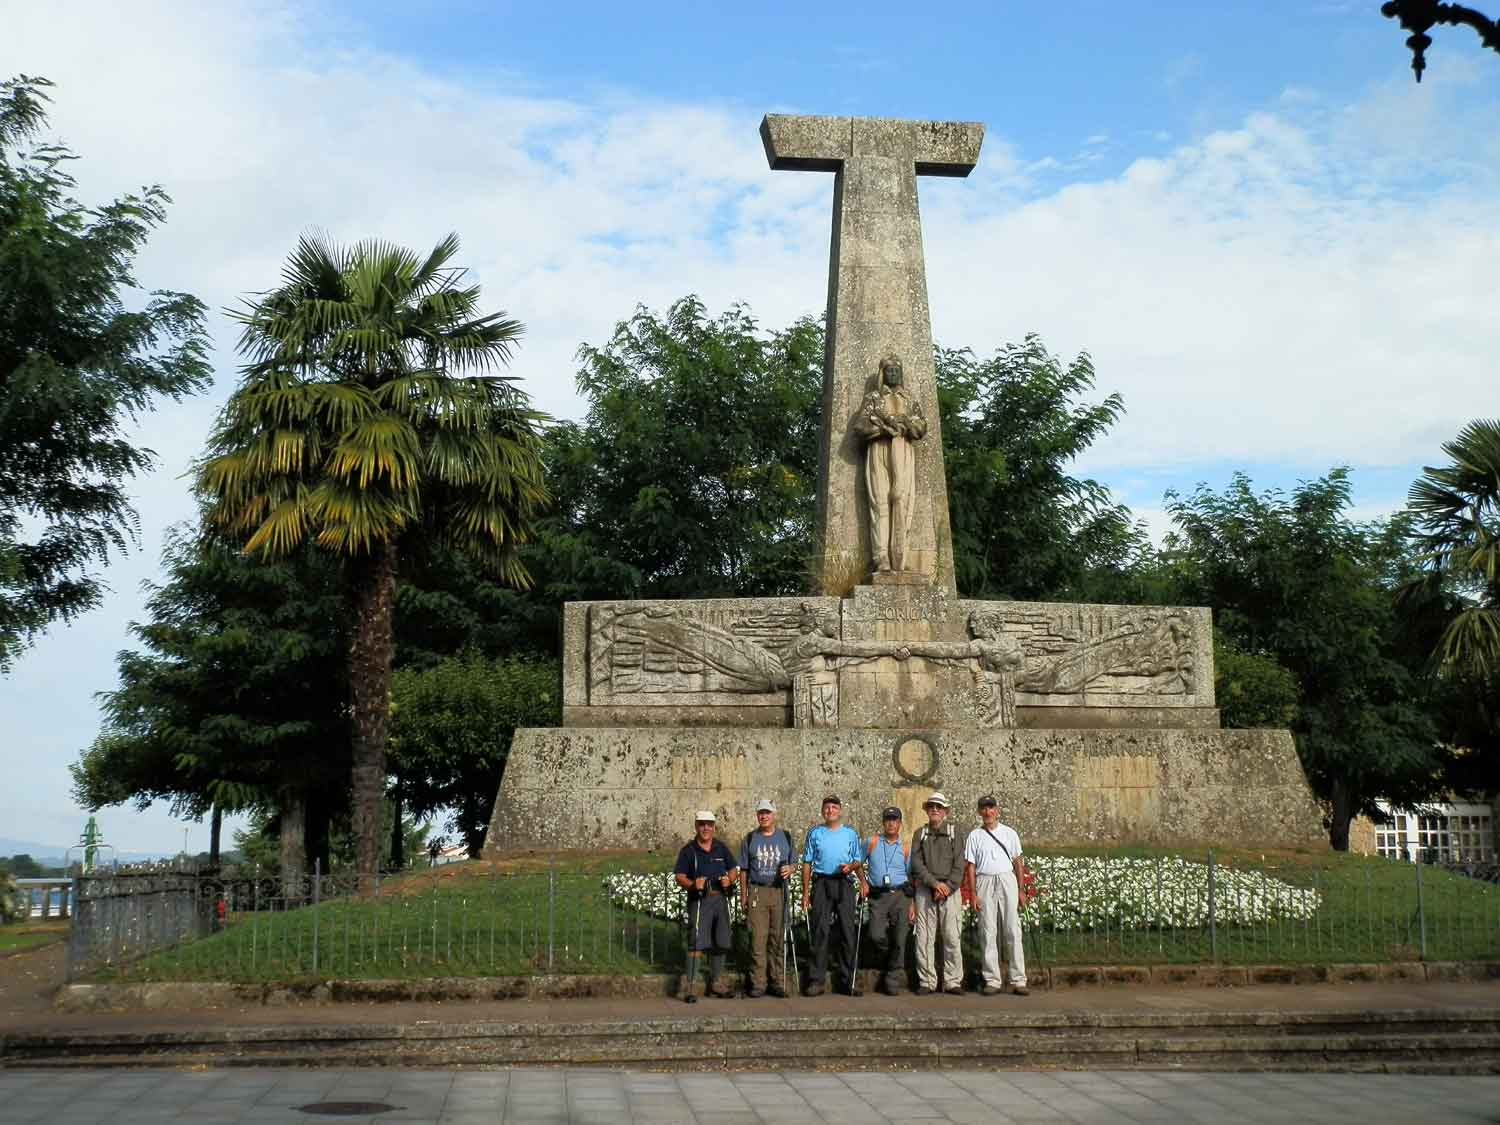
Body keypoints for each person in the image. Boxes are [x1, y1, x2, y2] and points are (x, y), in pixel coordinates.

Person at [855, 354, 928, 573]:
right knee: (880, 502)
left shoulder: (909, 399)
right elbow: (860, 427)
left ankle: (900, 557)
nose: (893, 374)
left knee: (902, 500)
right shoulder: (874, 398)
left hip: (903, 449)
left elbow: (921, 426)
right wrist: (882, 429)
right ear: (883, 374)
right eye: (889, 370)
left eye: (896, 370)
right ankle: (881, 558)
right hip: (879, 449)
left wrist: (906, 425)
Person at [962, 795, 1030, 996]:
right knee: (987, 930)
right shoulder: (975, 836)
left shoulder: (1009, 833)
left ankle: (1018, 979)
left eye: (991, 808)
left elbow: (1018, 862)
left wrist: (1020, 890)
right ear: (979, 812)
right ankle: (992, 979)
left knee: (1012, 930)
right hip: (984, 880)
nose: (988, 812)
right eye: (984, 808)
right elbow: (971, 866)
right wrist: (973, 893)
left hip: (1006, 879)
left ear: (997, 811)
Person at [800, 795, 863, 996]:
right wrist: (805, 892)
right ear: (822, 811)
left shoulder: (850, 834)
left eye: (834, 807)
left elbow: (858, 860)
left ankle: (847, 981)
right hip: (822, 883)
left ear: (840, 810)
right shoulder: (814, 833)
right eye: (826, 807)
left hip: (844, 883)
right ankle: (816, 981)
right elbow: (807, 862)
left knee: (847, 931)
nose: (830, 811)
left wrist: (854, 871)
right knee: (820, 931)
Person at [673, 809, 740, 998]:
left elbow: (733, 869)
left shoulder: (720, 847)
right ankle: (690, 986)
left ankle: (716, 983)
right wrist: (693, 884)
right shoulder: (689, 850)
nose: (705, 828)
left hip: (720, 899)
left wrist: (729, 879)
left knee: (721, 940)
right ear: (696, 826)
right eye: (702, 824)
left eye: (709, 825)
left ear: (714, 827)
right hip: (700, 900)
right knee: (696, 942)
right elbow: (679, 876)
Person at [737, 798, 796, 998]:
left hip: (779, 890)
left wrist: (791, 869)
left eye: (767, 812)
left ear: (774, 814)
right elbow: (744, 870)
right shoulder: (750, 839)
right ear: (757, 815)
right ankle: (758, 983)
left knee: (778, 938)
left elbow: (794, 863)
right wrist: (743, 895)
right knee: (758, 939)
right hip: (757, 891)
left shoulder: (785, 837)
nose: (764, 816)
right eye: (761, 813)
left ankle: (777, 981)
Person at [909, 792, 967, 995]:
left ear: (945, 812)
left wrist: (947, 887)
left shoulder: (955, 832)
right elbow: (916, 863)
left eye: (939, 807)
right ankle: (927, 981)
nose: (935, 809)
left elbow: (959, 863)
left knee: (952, 936)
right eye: (932, 806)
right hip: (927, 888)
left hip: (950, 890)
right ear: (926, 810)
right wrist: (934, 884)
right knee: (924, 937)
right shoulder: (920, 833)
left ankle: (953, 981)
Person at [862, 806, 914, 995]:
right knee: (876, 935)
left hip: (900, 896)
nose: (891, 823)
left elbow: (911, 876)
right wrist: (863, 882)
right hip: (878, 896)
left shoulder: (905, 847)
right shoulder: (872, 842)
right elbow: (856, 862)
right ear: (883, 822)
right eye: (888, 820)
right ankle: (889, 956)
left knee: (900, 938)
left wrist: (913, 903)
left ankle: (892, 977)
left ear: (900, 824)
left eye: (895, 820)